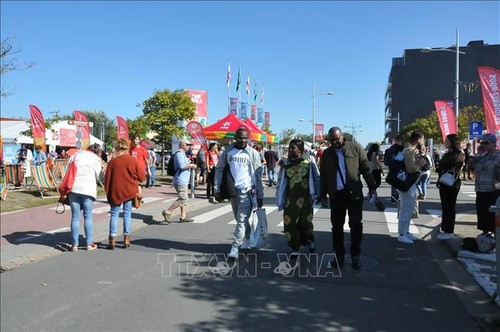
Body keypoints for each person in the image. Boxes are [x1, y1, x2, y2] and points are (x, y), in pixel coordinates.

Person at [319, 127, 377, 269]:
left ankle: (355, 255)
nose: (334, 142)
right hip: (336, 195)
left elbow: (366, 168)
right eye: (331, 140)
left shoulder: (355, 148)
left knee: (356, 225)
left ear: (342, 136)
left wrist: (372, 187)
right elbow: (323, 176)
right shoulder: (326, 154)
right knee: (337, 227)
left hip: (354, 193)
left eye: (336, 139)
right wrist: (322, 195)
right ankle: (339, 255)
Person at [214, 127, 264, 258]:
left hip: (247, 190)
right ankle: (247, 238)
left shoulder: (252, 153)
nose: (243, 140)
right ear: (235, 138)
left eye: (245, 137)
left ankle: (235, 247)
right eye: (240, 137)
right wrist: (217, 189)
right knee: (239, 219)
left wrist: (260, 194)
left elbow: (258, 176)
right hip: (232, 190)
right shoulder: (228, 151)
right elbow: (219, 169)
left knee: (241, 220)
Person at [276, 139, 320, 255]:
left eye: (293, 148)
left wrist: (319, 194)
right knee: (290, 223)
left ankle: (309, 241)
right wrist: (279, 195)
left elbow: (316, 177)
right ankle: (295, 247)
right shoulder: (286, 163)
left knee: (305, 223)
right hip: (291, 199)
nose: (290, 150)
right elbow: (281, 181)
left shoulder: (309, 161)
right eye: (289, 148)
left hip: (306, 198)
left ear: (300, 150)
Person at [104, 138, 146, 249]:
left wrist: (108, 193)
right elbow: (142, 177)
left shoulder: (112, 162)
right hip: (129, 191)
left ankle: (112, 239)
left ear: (116, 148)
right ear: (127, 148)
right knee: (127, 214)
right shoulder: (133, 161)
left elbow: (107, 180)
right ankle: (126, 238)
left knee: (114, 215)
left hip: (115, 191)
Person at [68, 144, 104, 252]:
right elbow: (100, 177)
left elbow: (68, 170)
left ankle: (74, 244)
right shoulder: (95, 159)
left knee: (75, 217)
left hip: (73, 188)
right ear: (98, 152)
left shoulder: (76, 155)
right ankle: (89, 243)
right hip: (88, 190)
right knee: (88, 217)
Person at [397, 131, 427, 244]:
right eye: (423, 140)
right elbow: (411, 168)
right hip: (407, 183)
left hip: (410, 183)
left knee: (410, 208)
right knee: (406, 208)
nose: (423, 142)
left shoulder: (411, 150)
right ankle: (402, 234)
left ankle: (406, 232)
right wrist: (420, 164)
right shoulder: (409, 151)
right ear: (419, 139)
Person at [470, 133, 500, 236]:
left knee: (493, 216)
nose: (484, 145)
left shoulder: (498, 156)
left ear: (493, 143)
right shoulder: (482, 157)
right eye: (482, 143)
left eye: (486, 143)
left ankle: (496, 239)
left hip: (493, 190)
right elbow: (471, 164)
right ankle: (485, 238)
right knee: (483, 215)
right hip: (480, 190)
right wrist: (478, 153)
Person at [161, 139, 197, 223]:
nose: (189, 146)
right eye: (187, 145)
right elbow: (182, 166)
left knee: (184, 198)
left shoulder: (183, 154)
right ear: (182, 145)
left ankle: (183, 215)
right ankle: (168, 211)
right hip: (180, 180)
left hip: (183, 179)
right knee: (183, 199)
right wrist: (191, 165)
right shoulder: (179, 154)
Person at [436, 134, 464, 240]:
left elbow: (451, 166)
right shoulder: (447, 154)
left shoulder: (459, 154)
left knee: (450, 206)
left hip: (452, 183)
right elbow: (440, 166)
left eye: (447, 140)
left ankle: (449, 231)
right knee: (445, 206)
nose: (445, 142)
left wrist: (442, 166)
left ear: (452, 142)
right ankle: (445, 229)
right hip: (443, 182)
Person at [384, 134, 404, 204]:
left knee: (393, 184)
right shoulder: (402, 149)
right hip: (401, 169)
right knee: (401, 183)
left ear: (395, 140)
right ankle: (400, 198)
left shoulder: (389, 149)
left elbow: (386, 162)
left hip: (392, 168)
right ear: (401, 140)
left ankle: (394, 198)